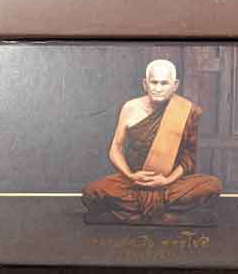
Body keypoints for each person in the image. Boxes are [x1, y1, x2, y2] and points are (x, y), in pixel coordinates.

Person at [81, 59, 222, 225]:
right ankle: (170, 217)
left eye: (164, 83)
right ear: (145, 84)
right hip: (133, 182)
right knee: (91, 192)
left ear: (175, 85)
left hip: (168, 184)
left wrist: (167, 181)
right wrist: (131, 175)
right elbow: (115, 149)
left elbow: (188, 159)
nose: (158, 88)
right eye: (154, 82)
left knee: (212, 185)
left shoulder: (187, 111)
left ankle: (129, 216)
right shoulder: (130, 108)